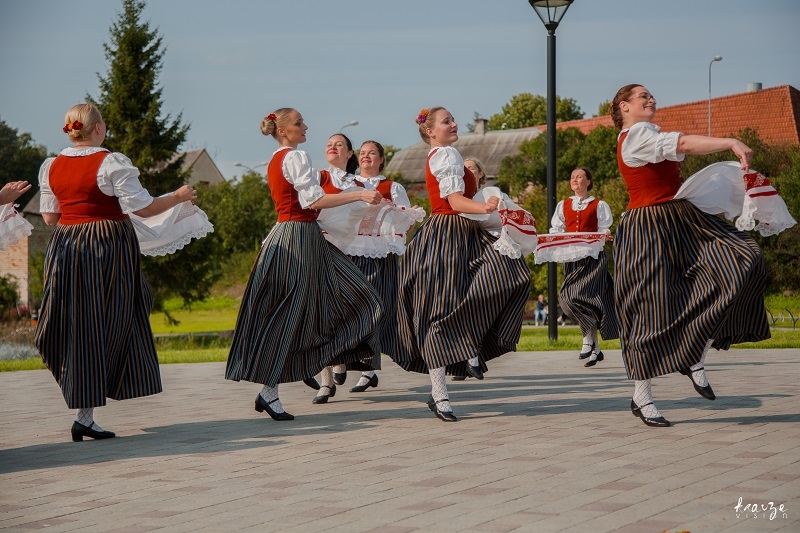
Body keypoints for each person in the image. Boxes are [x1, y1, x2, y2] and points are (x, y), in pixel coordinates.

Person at [36, 103, 198, 442]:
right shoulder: (111, 162)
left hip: (66, 246)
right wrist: (178, 195)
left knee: (81, 323)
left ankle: (85, 415)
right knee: (117, 316)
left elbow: (50, 219)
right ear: (97, 129)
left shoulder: (51, 165)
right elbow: (144, 207)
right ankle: (87, 413)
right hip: (107, 245)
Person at [612, 84, 770, 427]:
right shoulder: (635, 135)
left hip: (680, 218)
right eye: (643, 96)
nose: (651, 99)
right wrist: (729, 141)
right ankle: (642, 396)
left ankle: (695, 349)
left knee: (744, 258)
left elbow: (679, 148)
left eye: (651, 95)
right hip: (647, 225)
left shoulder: (649, 132)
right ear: (624, 106)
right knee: (649, 306)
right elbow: (682, 143)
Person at [225, 109, 383, 420]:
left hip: (295, 236)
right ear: (283, 131)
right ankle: (275, 389)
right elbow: (313, 201)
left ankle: (309, 368)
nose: (305, 126)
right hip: (298, 237)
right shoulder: (295, 158)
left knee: (307, 310)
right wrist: (358, 194)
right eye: (299, 123)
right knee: (302, 311)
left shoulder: (277, 158)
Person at [387, 107, 530, 421]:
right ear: (430, 132)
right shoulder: (446, 154)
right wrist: (484, 205)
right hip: (447, 234)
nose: (453, 124)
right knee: (441, 307)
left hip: (463, 233)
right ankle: (440, 393)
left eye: (453, 119)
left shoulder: (449, 153)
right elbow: (454, 201)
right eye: (446, 121)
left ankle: (469, 342)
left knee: (509, 276)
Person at [310, 133, 385, 403]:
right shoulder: (319, 177)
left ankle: (345, 358)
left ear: (349, 153)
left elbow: (374, 218)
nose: (332, 146)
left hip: (349, 252)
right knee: (321, 311)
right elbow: (308, 205)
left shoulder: (359, 184)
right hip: (319, 247)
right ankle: (326, 381)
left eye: (339, 144)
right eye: (328, 143)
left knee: (349, 309)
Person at [349, 139, 413, 393]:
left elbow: (406, 219)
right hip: (351, 251)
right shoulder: (349, 185)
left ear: (381, 159)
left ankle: (369, 368)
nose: (366, 157)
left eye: (372, 153)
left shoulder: (392, 187)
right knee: (351, 307)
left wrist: (387, 214)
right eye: (362, 153)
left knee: (375, 308)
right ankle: (342, 367)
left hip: (381, 253)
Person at [549, 167, 619, 367]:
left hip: (593, 258)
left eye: (579, 177)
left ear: (589, 181)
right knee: (568, 299)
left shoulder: (599, 204)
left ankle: (588, 341)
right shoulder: (563, 205)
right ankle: (595, 348)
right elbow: (556, 229)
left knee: (584, 299)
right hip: (571, 258)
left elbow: (603, 228)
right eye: (572, 177)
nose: (575, 179)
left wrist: (604, 235)